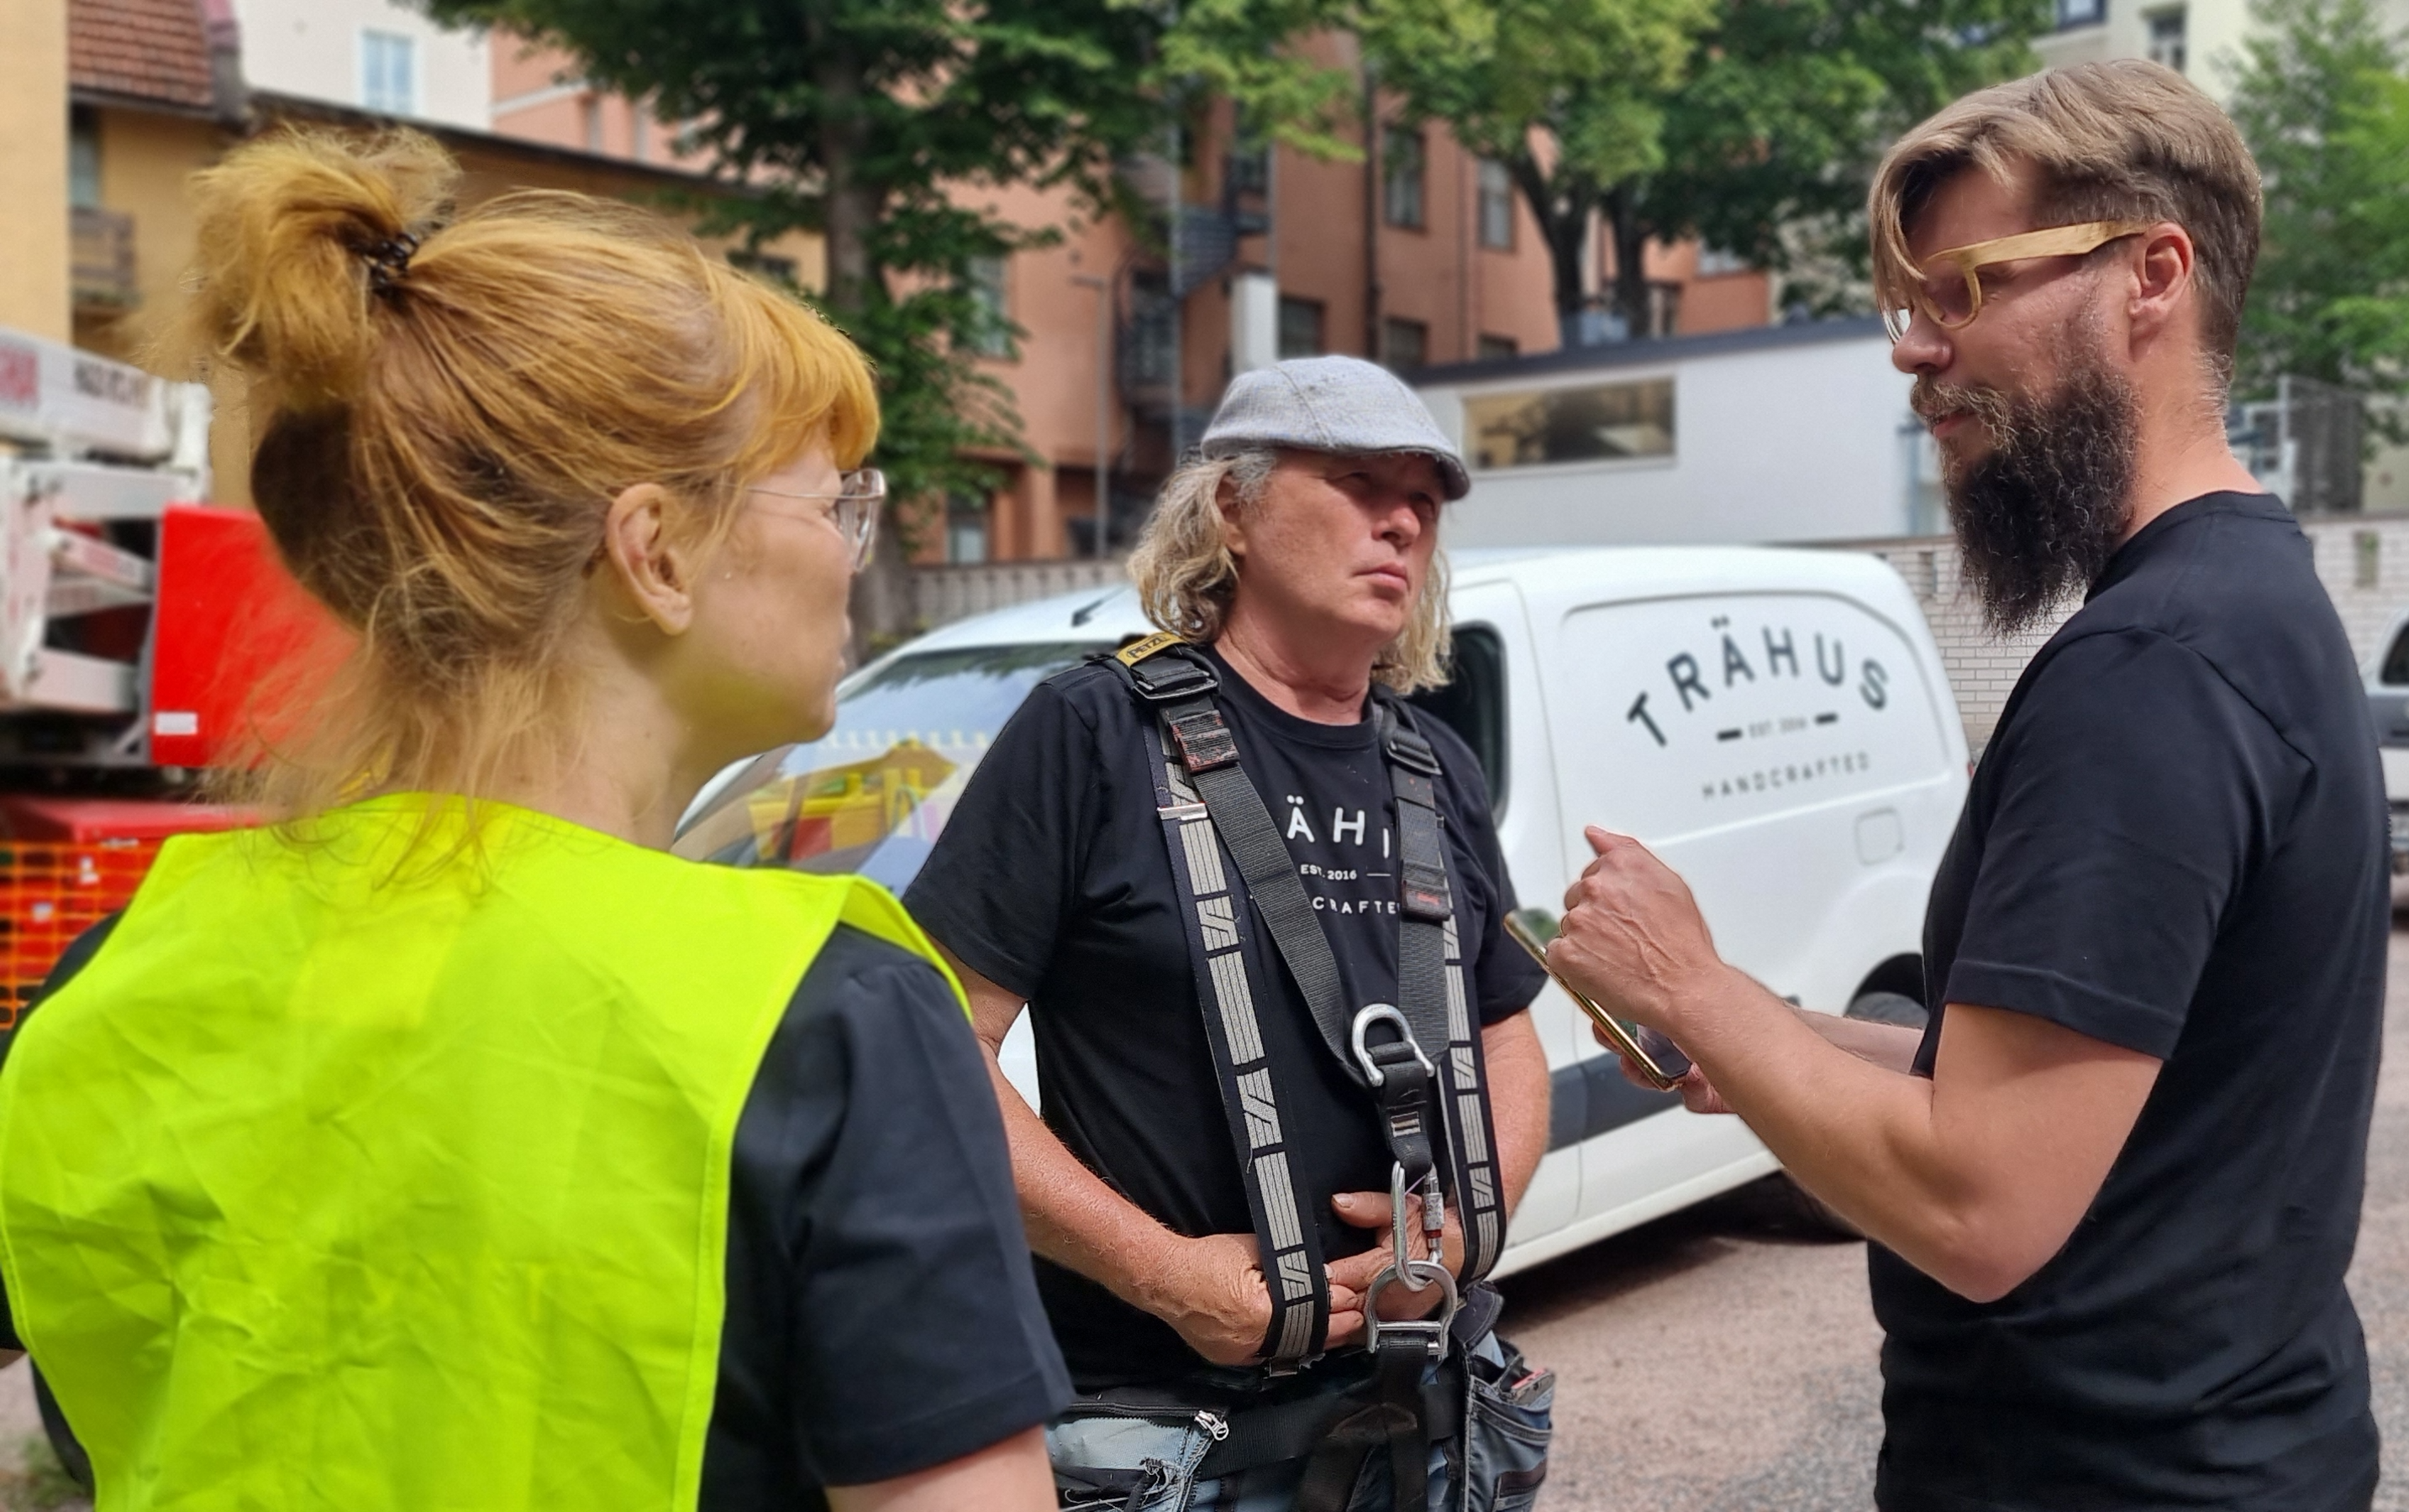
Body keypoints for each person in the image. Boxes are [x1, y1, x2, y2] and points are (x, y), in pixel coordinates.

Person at [0, 130, 1069, 1511]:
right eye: (837, 499)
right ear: (656, 551)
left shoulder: (114, 981)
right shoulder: (822, 1013)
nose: (857, 546)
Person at [1547, 60, 2391, 1511]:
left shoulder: (2151, 668)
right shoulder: (2253, 601)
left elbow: (1982, 1200)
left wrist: (1695, 988)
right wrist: (1766, 1042)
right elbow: (2088, 1085)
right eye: (1907, 308)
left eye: (1966, 290)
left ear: (2151, 277)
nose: (1916, 354)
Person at [903, 356, 1554, 1511]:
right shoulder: (1091, 735)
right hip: (1173, 1444)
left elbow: (1503, 1034)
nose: (1402, 520)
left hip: (1434, 1420)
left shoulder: (1434, 767)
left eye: (1425, 500)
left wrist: (1462, 1240)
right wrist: (1163, 1276)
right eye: (1359, 482)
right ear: (1233, 507)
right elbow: (934, 1045)